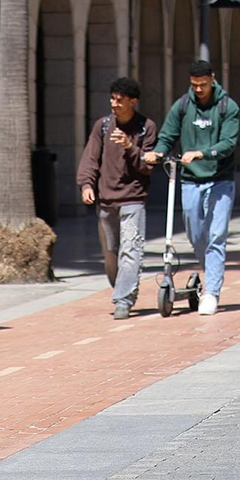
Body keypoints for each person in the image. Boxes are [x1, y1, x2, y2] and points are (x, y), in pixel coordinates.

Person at [143, 60, 240, 317]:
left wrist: (201, 153)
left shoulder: (227, 107)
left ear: (212, 79)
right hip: (189, 180)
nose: (198, 90)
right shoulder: (183, 106)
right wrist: (158, 152)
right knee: (196, 235)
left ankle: (212, 292)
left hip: (220, 180)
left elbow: (228, 143)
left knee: (216, 236)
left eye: (203, 85)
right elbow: (167, 135)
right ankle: (209, 273)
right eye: (194, 85)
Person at [76, 77, 157, 320]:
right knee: (111, 253)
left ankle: (123, 299)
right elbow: (90, 158)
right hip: (106, 200)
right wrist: (86, 185)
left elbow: (147, 166)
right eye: (112, 99)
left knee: (130, 250)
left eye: (119, 100)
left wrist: (129, 146)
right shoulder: (102, 126)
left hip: (133, 198)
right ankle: (122, 287)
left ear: (133, 101)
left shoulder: (146, 127)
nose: (114, 104)